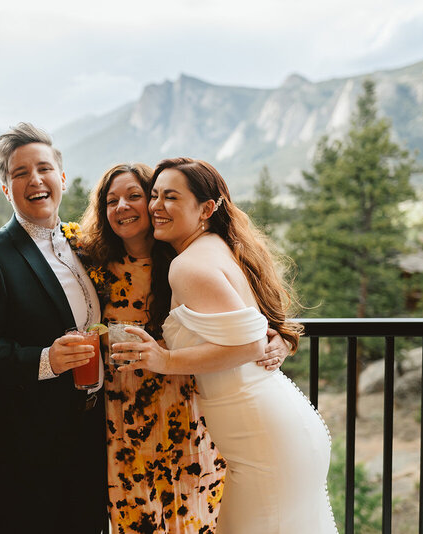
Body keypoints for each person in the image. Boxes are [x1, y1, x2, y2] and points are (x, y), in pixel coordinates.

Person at [112, 158, 337, 533]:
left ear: (206, 208)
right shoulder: (216, 246)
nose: (156, 206)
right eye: (154, 196)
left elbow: (250, 344)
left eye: (171, 196)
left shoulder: (187, 266)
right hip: (272, 432)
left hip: (263, 441)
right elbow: (253, 328)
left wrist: (164, 359)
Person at [79, 163, 291, 532]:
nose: (123, 207)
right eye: (111, 200)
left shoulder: (185, 258)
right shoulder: (91, 265)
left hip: (189, 409)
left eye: (134, 196)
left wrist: (282, 338)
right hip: (124, 416)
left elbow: (251, 318)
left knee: (196, 518)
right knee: (137, 519)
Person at [0, 123, 108, 533]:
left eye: (43, 168)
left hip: (85, 434)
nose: (35, 180)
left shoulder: (84, 245)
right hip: (18, 444)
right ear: (6, 190)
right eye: (20, 173)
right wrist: (47, 360)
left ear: (61, 178)